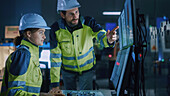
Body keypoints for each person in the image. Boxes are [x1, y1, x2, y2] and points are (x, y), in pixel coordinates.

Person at [49, 0, 118, 92]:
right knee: (70, 93)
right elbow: (55, 59)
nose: (75, 16)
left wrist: (108, 39)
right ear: (62, 15)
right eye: (71, 14)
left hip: (87, 70)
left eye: (77, 12)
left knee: (85, 94)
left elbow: (101, 35)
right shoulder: (55, 30)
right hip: (67, 71)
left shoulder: (89, 23)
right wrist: (55, 84)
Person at [0, 13, 53, 96]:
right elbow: (14, 93)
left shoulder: (31, 54)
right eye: (41, 32)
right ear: (29, 34)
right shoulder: (23, 55)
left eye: (44, 32)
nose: (44, 37)